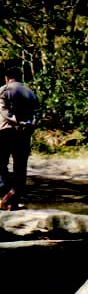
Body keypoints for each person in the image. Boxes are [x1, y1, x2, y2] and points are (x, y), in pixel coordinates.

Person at [0, 66, 39, 210]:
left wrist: (16, 122)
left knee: (1, 163)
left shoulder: (4, 90)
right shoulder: (30, 92)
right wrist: (28, 124)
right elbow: (36, 113)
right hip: (24, 133)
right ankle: (14, 199)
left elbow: (4, 112)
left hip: (5, 132)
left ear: (7, 78)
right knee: (20, 166)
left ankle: (6, 193)